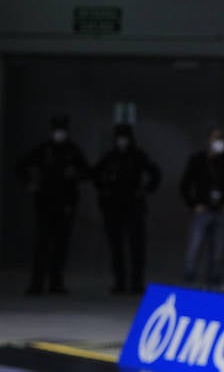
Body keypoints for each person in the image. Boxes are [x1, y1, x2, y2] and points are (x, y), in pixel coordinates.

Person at [19, 114, 89, 294]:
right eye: (57, 131)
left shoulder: (72, 151)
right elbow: (22, 165)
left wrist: (76, 175)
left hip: (65, 204)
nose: (59, 134)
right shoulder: (43, 149)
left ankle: (55, 282)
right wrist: (29, 183)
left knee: (60, 245)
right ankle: (37, 283)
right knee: (42, 244)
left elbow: (86, 171)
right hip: (45, 202)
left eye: (62, 131)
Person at [93, 123, 160, 295]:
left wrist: (146, 190)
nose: (122, 141)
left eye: (125, 137)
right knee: (116, 247)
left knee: (137, 246)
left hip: (134, 207)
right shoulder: (110, 157)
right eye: (119, 138)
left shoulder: (138, 156)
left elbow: (155, 173)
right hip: (114, 208)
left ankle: (136, 283)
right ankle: (120, 282)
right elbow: (95, 175)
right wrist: (104, 194)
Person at [180, 126, 224, 286]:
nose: (218, 142)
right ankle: (188, 283)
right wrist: (193, 204)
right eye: (215, 138)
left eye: (221, 139)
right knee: (194, 249)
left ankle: (213, 286)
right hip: (203, 210)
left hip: (221, 212)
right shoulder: (198, 159)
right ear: (209, 140)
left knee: (217, 253)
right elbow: (185, 185)